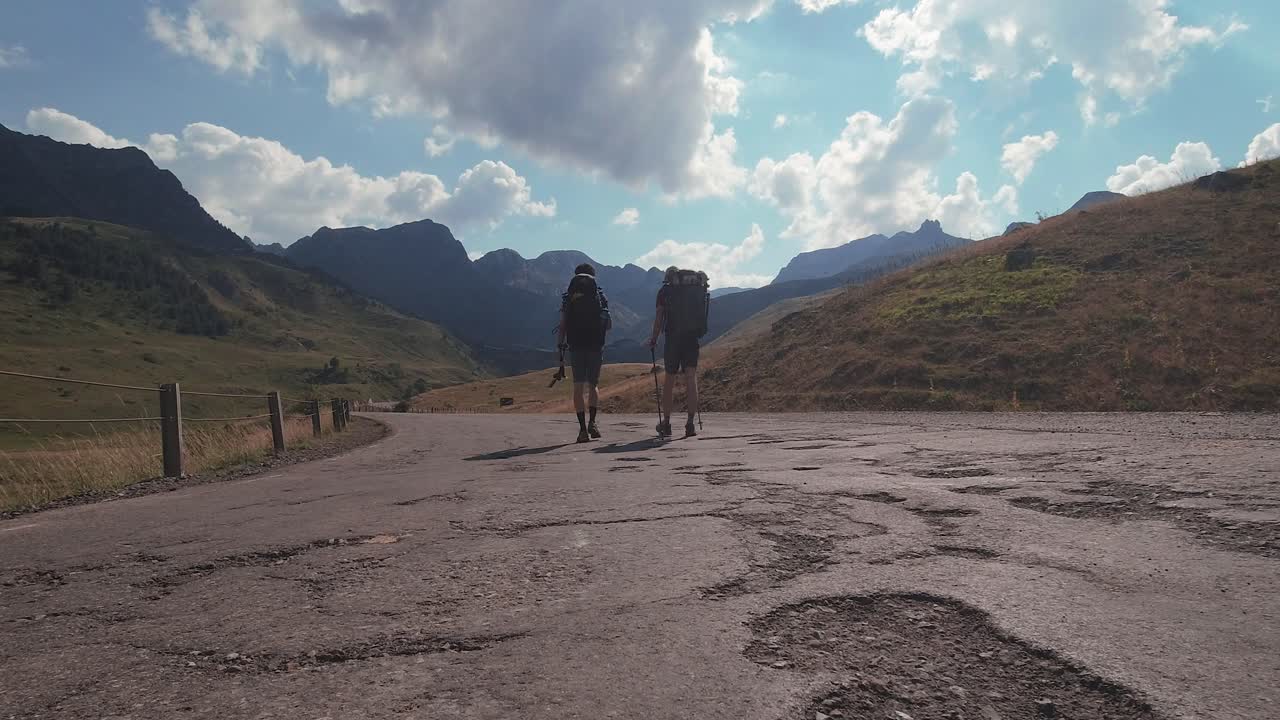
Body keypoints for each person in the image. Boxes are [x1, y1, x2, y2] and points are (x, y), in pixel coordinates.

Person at [647, 266, 710, 438]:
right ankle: (690, 424)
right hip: (691, 338)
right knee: (691, 377)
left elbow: (659, 317)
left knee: (669, 379)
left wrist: (654, 339)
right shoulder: (696, 289)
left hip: (673, 338)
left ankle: (666, 423)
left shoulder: (665, 291)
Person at [558, 263, 611, 443]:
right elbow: (608, 324)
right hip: (595, 345)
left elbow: (563, 323)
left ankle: (582, 430)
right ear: (593, 276)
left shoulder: (569, 296)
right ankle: (593, 423)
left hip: (576, 344)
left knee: (578, 387)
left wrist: (560, 344)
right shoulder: (600, 295)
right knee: (593, 384)